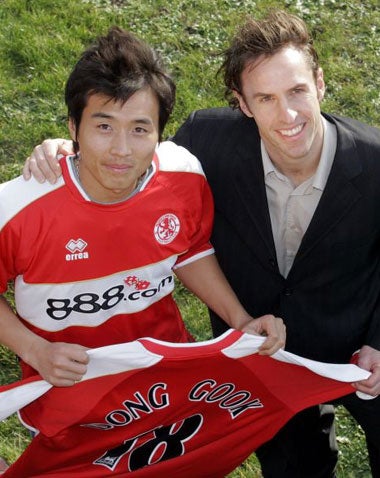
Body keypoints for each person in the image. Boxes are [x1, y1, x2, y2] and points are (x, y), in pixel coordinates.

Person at [21, 10, 380, 478]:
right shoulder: (205, 144)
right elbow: (132, 154)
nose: (287, 115)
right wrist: (68, 150)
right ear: (242, 104)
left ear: (320, 82)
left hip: (361, 351)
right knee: (297, 468)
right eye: (265, 98)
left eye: (297, 91)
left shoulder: (375, 164)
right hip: (264, 354)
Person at [0, 27, 285, 392]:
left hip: (164, 372)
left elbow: (190, 249)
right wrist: (35, 350)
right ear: (74, 127)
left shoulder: (182, 175)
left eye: (139, 129)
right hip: (68, 386)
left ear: (159, 135)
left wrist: (239, 319)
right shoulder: (19, 206)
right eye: (104, 126)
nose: (121, 149)